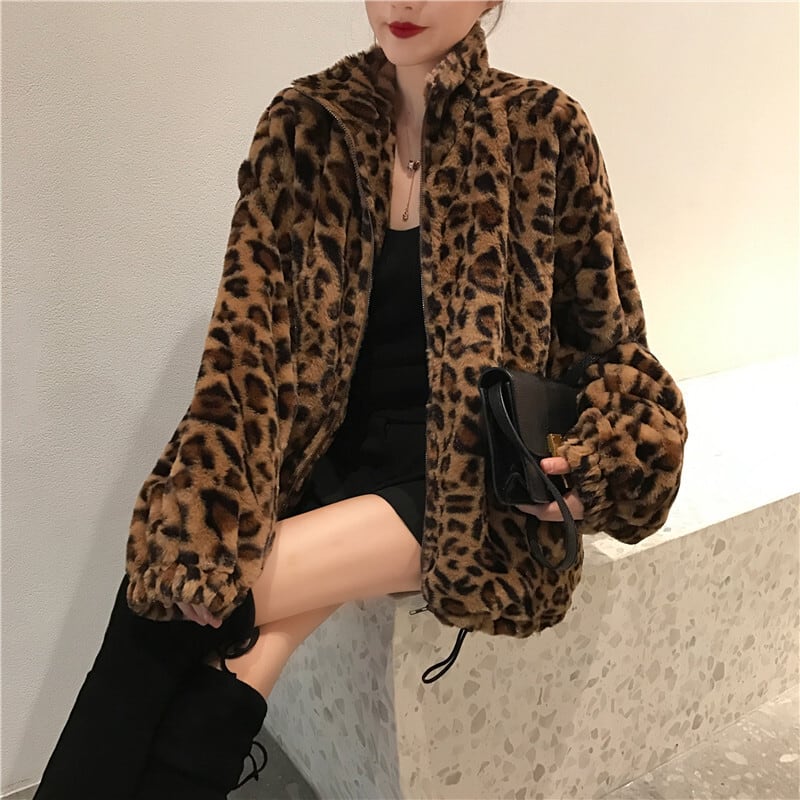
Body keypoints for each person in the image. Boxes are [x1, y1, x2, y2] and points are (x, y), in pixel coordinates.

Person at [35, 1, 688, 798]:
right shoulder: (304, 127)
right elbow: (243, 353)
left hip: (463, 487)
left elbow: (614, 348)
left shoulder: (544, 130)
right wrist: (209, 499)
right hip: (330, 464)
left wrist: (602, 464)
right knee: (231, 658)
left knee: (168, 611)